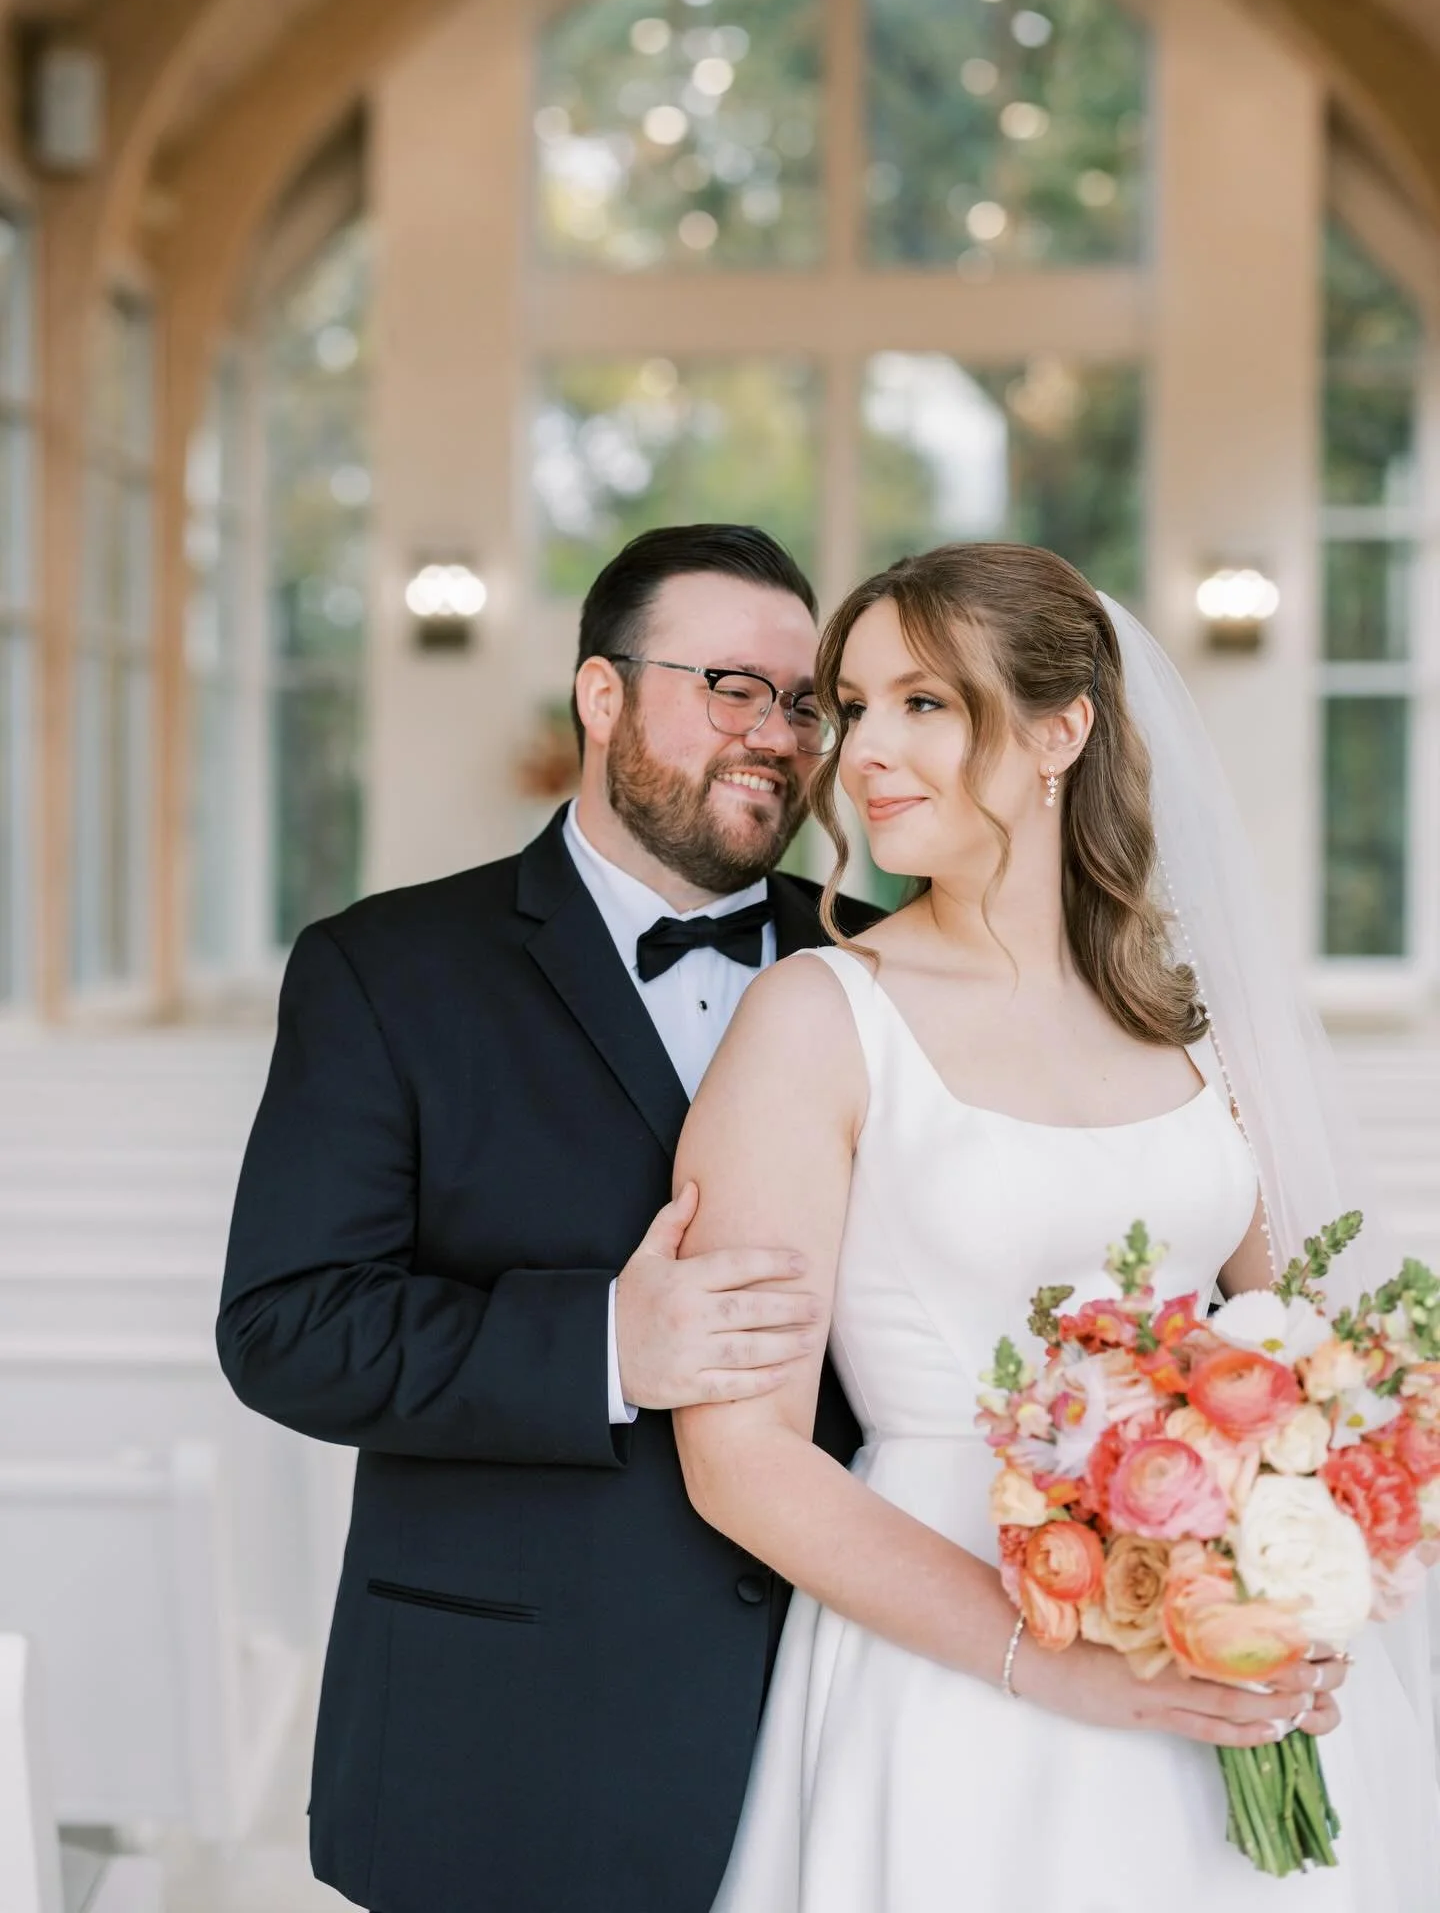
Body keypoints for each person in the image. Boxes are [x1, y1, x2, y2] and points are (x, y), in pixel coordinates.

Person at [672, 542, 1440, 1910]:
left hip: (1212, 1646)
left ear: (1059, 730)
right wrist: (1050, 1662)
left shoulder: (1195, 1025)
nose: (864, 752)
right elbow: (740, 1459)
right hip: (947, 1661)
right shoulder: (815, 1020)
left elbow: (1313, 1368)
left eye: (926, 703)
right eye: (854, 707)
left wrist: (1283, 1573)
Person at [216, 523, 879, 1913]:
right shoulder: (386, 970)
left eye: (804, 700)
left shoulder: (895, 964)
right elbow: (287, 1328)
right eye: (731, 687)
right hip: (510, 1727)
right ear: (602, 695)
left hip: (857, 1704)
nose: (777, 733)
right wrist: (602, 1346)